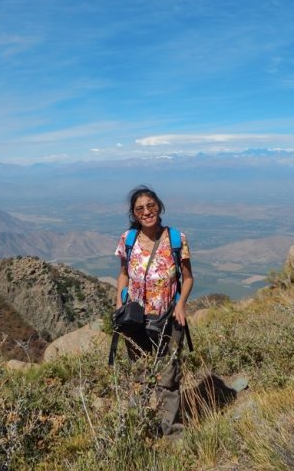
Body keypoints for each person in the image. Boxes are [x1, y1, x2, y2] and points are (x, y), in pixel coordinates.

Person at [114, 185, 194, 436]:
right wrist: (120, 304)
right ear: (134, 214)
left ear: (159, 206)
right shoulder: (128, 240)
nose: (146, 211)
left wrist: (181, 305)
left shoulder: (176, 239)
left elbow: (188, 278)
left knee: (168, 378)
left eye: (151, 206)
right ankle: (140, 429)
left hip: (168, 319)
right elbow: (123, 275)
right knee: (139, 377)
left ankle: (170, 433)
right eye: (140, 209)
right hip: (136, 321)